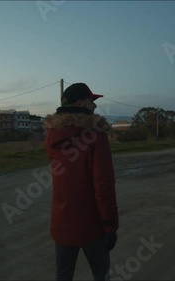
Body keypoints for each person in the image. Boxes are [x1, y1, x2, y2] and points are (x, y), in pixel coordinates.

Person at [44, 82, 119, 281]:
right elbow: (103, 185)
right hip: (92, 226)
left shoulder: (53, 135)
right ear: (80, 103)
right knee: (101, 275)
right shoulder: (96, 136)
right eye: (91, 101)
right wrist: (111, 225)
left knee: (63, 275)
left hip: (61, 224)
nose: (94, 107)